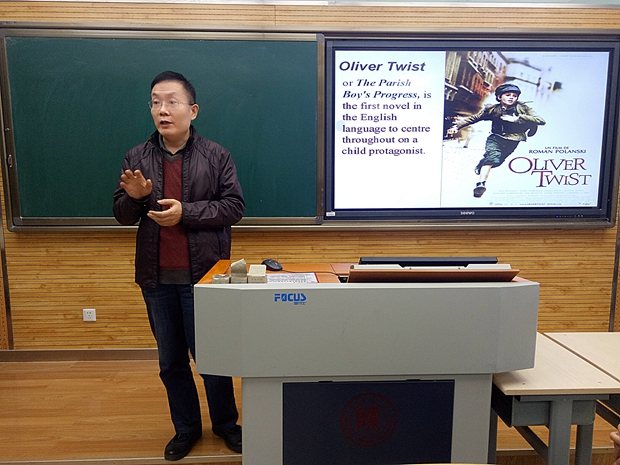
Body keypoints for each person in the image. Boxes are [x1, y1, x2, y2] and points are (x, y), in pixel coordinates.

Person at [113, 71, 245, 461]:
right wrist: (136, 199)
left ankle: (226, 425)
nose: (162, 110)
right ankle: (186, 429)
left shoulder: (216, 155)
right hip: (156, 279)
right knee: (171, 362)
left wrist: (186, 212)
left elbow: (234, 207)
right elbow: (121, 215)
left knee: (212, 359)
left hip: (203, 278)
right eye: (155, 102)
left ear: (193, 110)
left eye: (172, 101)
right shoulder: (136, 157)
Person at [447, 83, 545, 198]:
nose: (511, 97)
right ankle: (481, 184)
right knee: (492, 157)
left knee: (498, 161)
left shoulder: (523, 108)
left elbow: (541, 120)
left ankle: (483, 164)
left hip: (513, 140)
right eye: (508, 95)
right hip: (495, 138)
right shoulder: (492, 109)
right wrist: (457, 126)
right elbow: (474, 118)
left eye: (514, 96)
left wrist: (518, 119)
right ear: (499, 97)